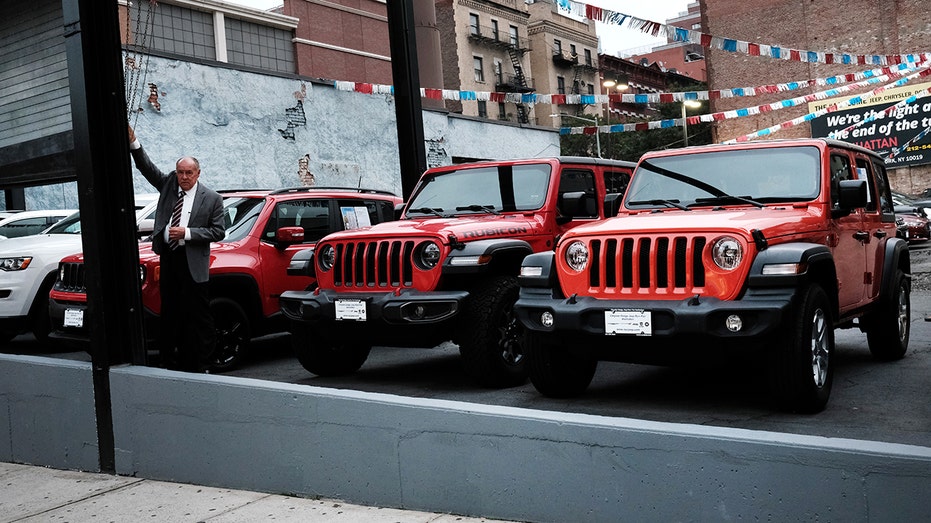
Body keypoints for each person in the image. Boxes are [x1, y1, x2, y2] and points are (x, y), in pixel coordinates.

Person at [128, 127, 225, 372]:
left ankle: (204, 362)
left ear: (198, 173)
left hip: (193, 261)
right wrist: (134, 143)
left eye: (189, 173)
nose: (184, 177)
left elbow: (218, 232)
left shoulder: (212, 198)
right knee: (170, 311)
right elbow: (147, 169)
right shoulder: (169, 185)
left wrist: (188, 233)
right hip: (169, 257)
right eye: (181, 172)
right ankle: (169, 361)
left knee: (199, 315)